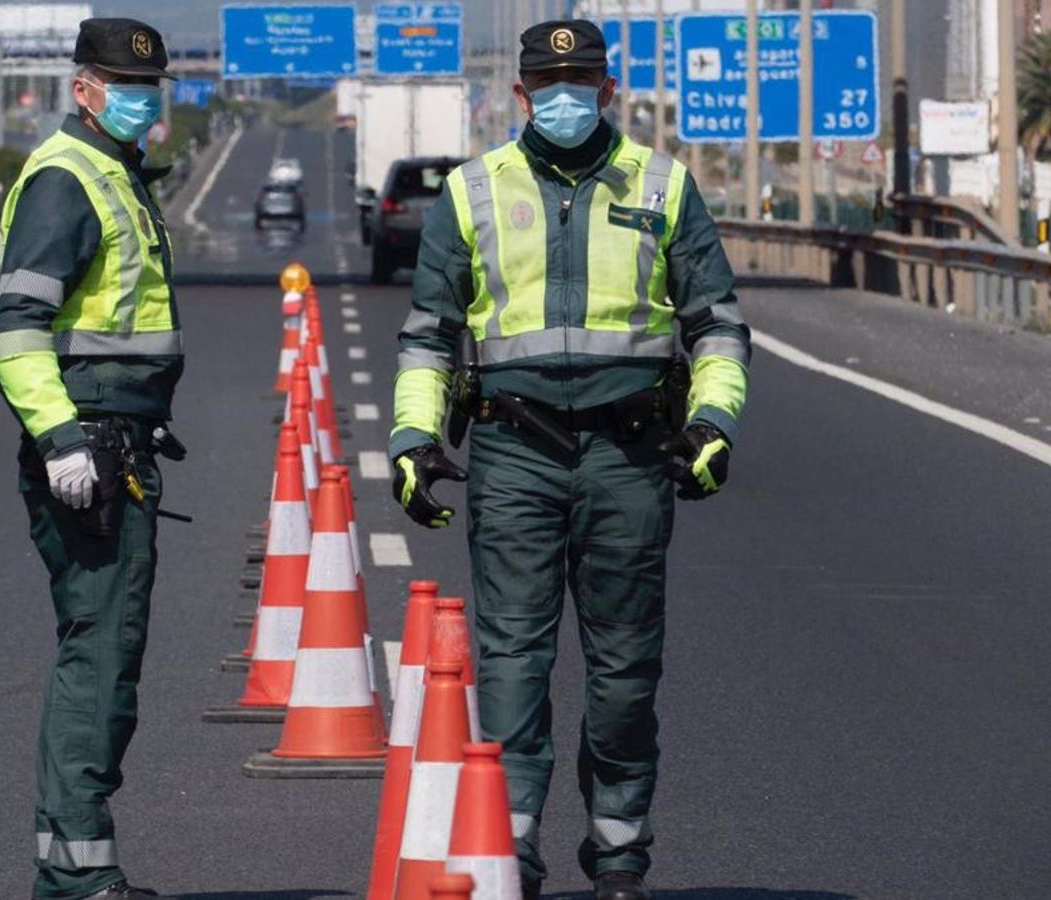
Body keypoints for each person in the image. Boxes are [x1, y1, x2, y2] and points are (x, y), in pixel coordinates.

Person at [389, 19, 751, 900]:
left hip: (629, 455)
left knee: (625, 669)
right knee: (513, 662)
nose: (565, 97)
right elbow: (429, 335)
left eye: (582, 81)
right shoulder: (472, 191)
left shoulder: (663, 185)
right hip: (515, 452)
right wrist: (412, 439)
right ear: (520, 95)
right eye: (549, 85)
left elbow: (717, 326)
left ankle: (620, 851)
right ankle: (507, 850)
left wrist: (714, 423)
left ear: (608, 90)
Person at [0, 17, 183, 900]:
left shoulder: (117, 173)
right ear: (84, 89)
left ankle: (79, 867)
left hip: (120, 444)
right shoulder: (67, 179)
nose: (140, 99)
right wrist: (61, 440)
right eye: (123, 85)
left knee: (108, 652)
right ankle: (74, 877)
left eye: (148, 87)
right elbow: (15, 328)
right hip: (89, 451)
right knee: (98, 653)